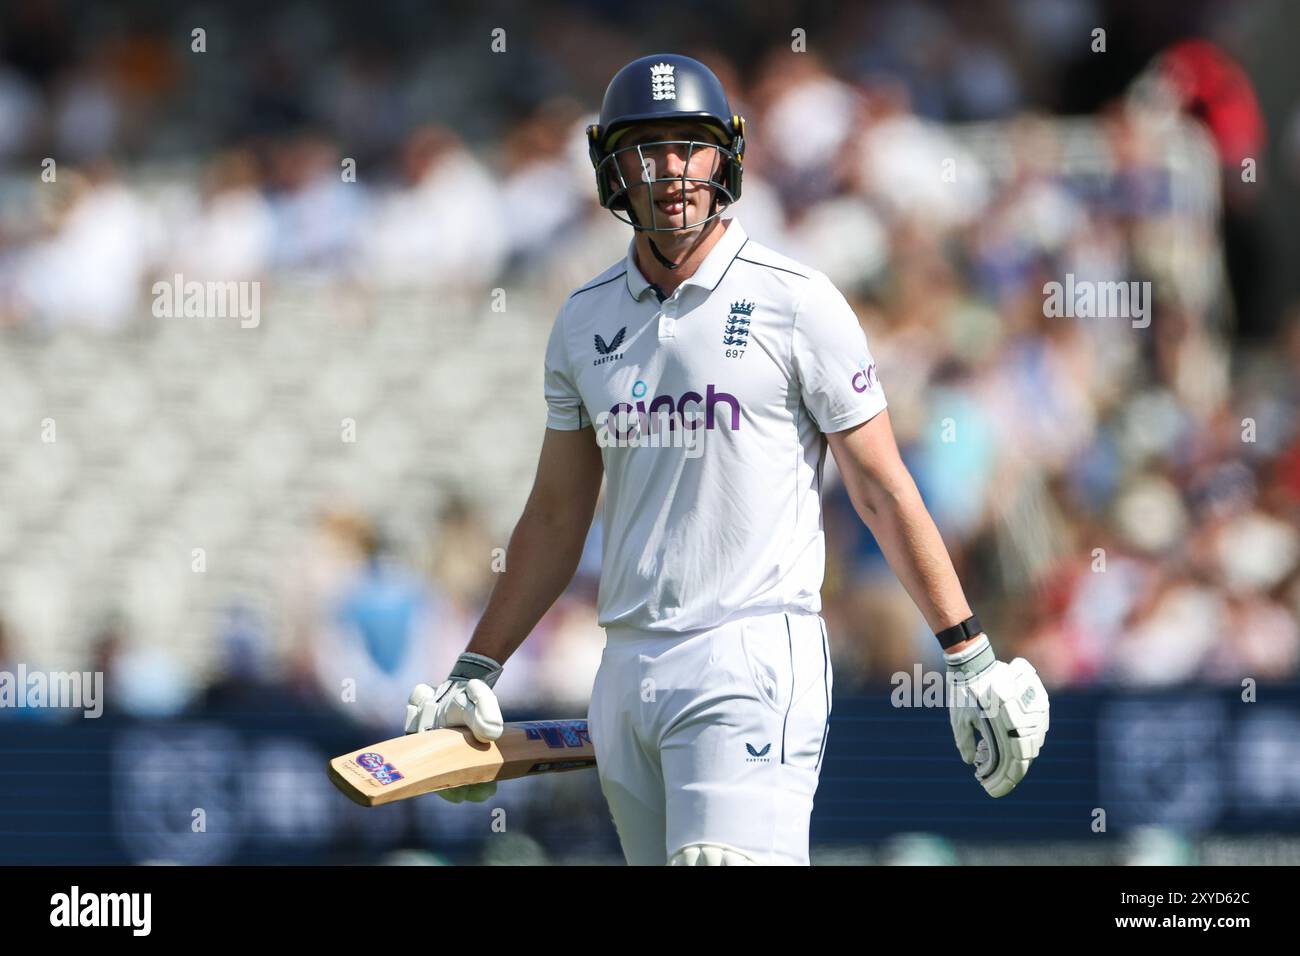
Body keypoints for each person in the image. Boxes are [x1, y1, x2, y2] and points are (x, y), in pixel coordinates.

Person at [402, 53, 1050, 865]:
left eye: (690, 145)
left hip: (752, 651)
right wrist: (476, 670)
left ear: (727, 156)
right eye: (647, 147)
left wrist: (967, 653)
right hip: (626, 667)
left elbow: (882, 489)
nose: (671, 168)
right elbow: (557, 516)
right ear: (612, 165)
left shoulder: (797, 300)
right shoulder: (581, 321)